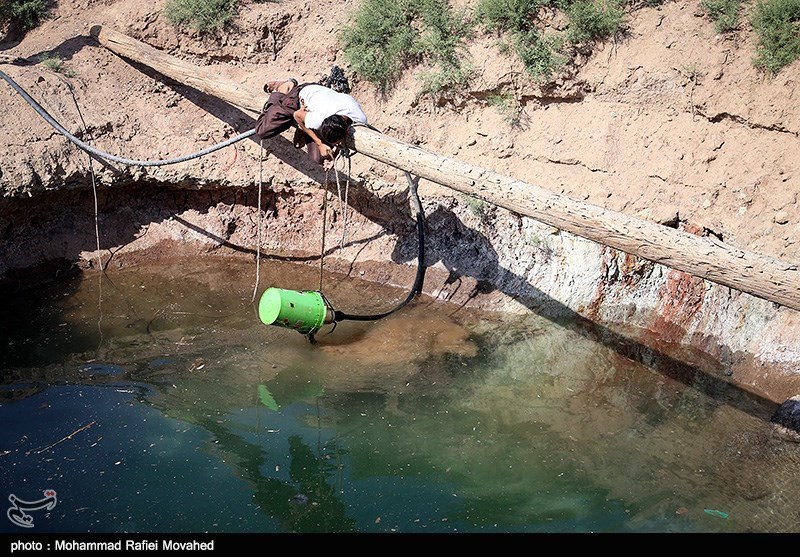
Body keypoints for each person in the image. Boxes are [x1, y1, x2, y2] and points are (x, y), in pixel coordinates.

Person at [254, 77, 368, 169]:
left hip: (319, 98)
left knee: (320, 158)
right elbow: (297, 115)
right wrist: (319, 143)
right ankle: (284, 87)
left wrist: (334, 155)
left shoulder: (360, 120)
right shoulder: (318, 118)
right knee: (262, 131)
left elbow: (339, 142)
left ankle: (305, 129)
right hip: (300, 95)